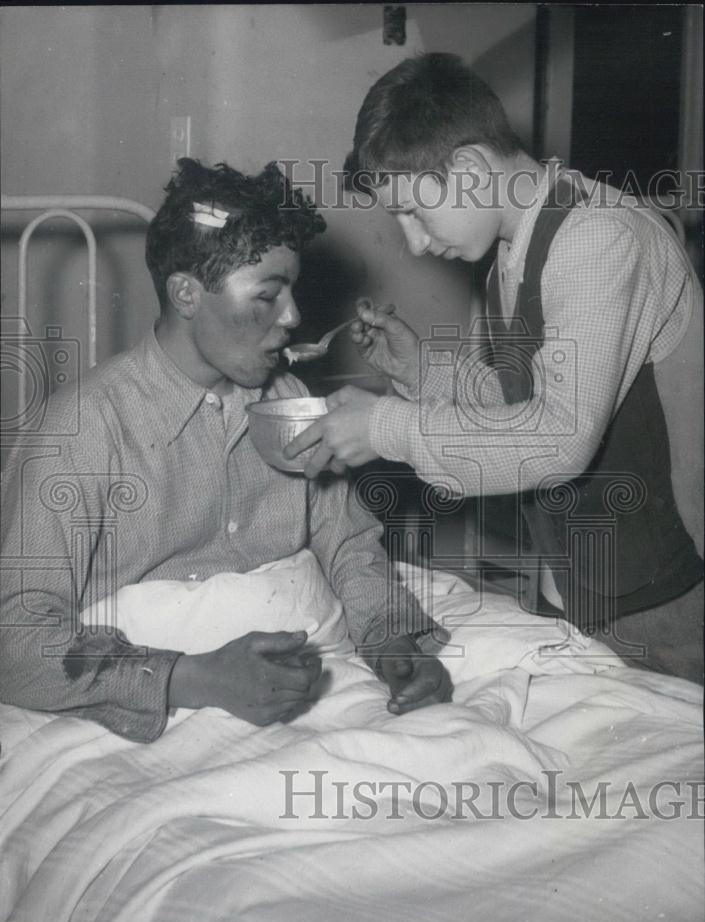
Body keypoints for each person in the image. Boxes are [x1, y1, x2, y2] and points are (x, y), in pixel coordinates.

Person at [0, 158, 451, 743]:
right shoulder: (85, 430)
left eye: (292, 291)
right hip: (155, 706)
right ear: (186, 293)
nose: (293, 316)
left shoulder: (285, 400)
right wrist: (198, 679)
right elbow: (15, 634)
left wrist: (392, 643)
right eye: (268, 295)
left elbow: (348, 543)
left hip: (313, 676)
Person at [284, 53, 704, 681]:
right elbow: (519, 405)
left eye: (414, 213)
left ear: (472, 170)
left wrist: (385, 428)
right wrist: (426, 371)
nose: (415, 244)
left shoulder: (598, 238)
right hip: (589, 581)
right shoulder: (512, 247)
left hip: (670, 588)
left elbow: (560, 437)